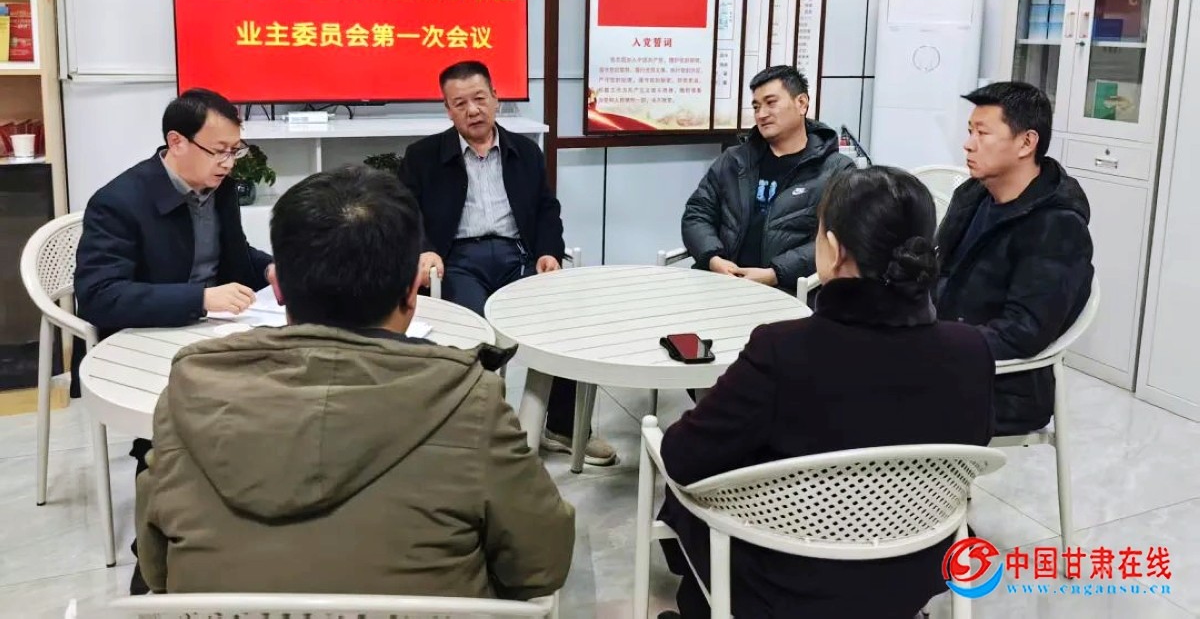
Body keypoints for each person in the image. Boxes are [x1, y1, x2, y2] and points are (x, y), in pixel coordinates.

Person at [134, 165, 575, 597]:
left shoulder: (189, 392)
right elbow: (540, 565)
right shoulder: (469, 401)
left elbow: (156, 571)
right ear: (412, 292)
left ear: (279, 287)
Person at [658, 167, 995, 619]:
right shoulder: (972, 351)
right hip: (914, 573)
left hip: (786, 585)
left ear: (833, 251)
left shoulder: (782, 350)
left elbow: (682, 458)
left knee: (688, 487)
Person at [74, 87, 273, 594]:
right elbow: (99, 296)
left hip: (215, 328)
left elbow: (233, 255)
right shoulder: (119, 202)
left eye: (235, 150)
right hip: (149, 338)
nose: (228, 163)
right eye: (219, 150)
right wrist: (199, 298)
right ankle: (157, 546)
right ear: (176, 142)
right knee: (177, 427)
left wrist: (273, 268)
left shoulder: (218, 186)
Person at [400, 60, 616, 466]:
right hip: (458, 261)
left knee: (564, 323)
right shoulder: (422, 157)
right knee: (475, 335)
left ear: (496, 98)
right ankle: (478, 433)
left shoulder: (525, 152)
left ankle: (563, 427)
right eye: (460, 103)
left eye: (480, 98)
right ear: (448, 110)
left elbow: (547, 210)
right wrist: (424, 249)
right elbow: (405, 215)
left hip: (518, 257)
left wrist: (549, 251)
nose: (473, 110)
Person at [936, 81, 1094, 434]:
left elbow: (1022, 333)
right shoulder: (973, 195)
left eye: (982, 133)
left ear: (1026, 143)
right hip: (946, 357)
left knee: (866, 401)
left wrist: (930, 346)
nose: (968, 144)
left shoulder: (1057, 226)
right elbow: (937, 273)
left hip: (1004, 388)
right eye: (969, 131)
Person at [682, 65, 853, 291]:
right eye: (756, 106)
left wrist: (775, 273)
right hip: (722, 283)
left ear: (801, 103)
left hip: (790, 290)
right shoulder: (734, 160)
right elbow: (697, 214)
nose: (761, 114)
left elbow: (837, 238)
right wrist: (713, 259)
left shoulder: (836, 170)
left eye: (771, 103)